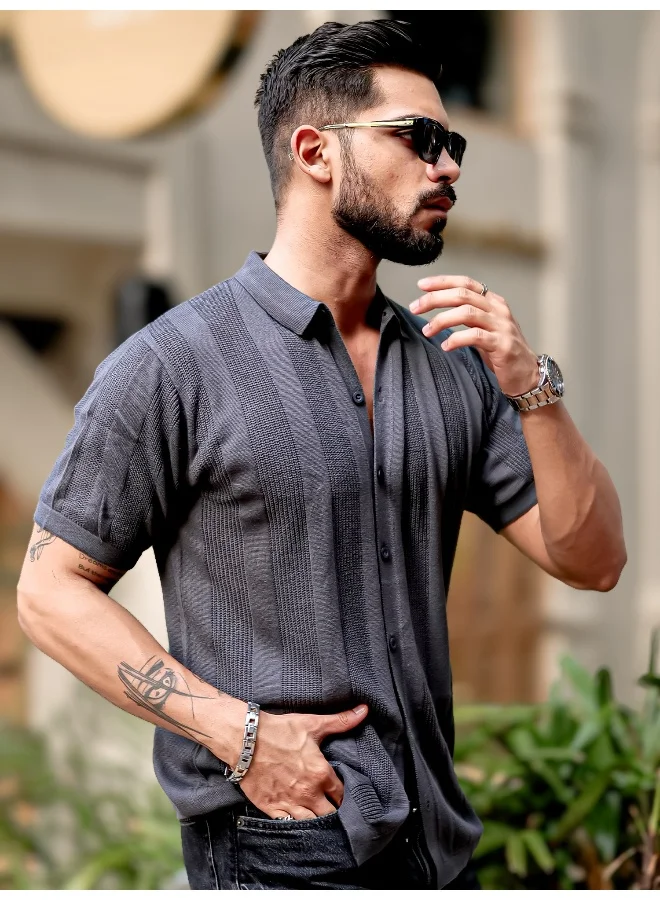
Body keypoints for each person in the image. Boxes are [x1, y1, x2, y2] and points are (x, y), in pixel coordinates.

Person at [17, 19, 626, 891]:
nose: (448, 166)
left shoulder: (456, 364)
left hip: (439, 843)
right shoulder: (171, 365)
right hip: (276, 842)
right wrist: (241, 737)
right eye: (418, 137)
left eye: (452, 143)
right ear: (315, 152)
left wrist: (534, 387)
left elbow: (593, 560)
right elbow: (48, 591)